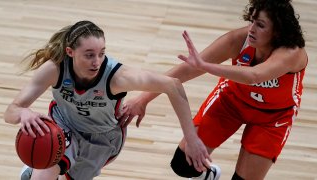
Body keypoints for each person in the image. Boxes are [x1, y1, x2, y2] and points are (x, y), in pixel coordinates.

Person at [120, 0, 308, 179]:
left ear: (277, 31)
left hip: (273, 117)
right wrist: (143, 99)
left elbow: (254, 76)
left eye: (260, 25)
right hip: (232, 102)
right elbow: (184, 70)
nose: (251, 29)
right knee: (183, 164)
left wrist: (205, 66)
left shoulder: (292, 53)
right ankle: (209, 175)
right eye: (251, 21)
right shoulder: (237, 39)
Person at [3, 20, 211, 180]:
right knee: (44, 174)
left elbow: (172, 85)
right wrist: (23, 112)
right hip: (63, 126)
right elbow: (10, 111)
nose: (97, 62)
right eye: (89, 55)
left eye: (101, 53)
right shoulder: (54, 68)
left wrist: (191, 139)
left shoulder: (116, 77)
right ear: (70, 52)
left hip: (101, 138)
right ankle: (39, 167)